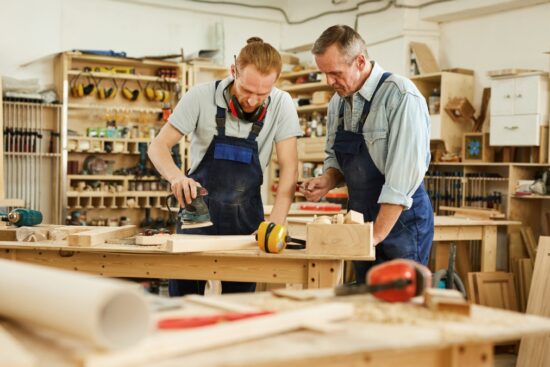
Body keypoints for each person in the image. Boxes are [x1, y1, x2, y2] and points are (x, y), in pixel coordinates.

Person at [148, 37, 302, 295]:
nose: (253, 101)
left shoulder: (282, 103)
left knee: (239, 305)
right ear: (233, 72)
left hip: (246, 224)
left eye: (262, 94)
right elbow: (158, 147)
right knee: (185, 304)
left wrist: (277, 221)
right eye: (247, 91)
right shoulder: (200, 96)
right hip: (197, 216)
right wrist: (176, 177)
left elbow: (289, 167)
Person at [302, 25, 434, 283]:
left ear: (360, 61)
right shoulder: (337, 102)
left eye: (335, 73)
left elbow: (401, 180)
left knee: (400, 305)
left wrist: (373, 237)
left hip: (402, 221)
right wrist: (327, 180)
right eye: (324, 73)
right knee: (366, 300)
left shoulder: (401, 96)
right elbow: (336, 158)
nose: (329, 82)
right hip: (360, 219)